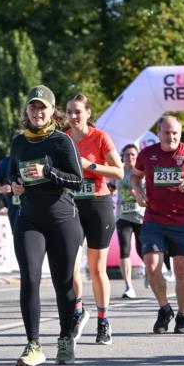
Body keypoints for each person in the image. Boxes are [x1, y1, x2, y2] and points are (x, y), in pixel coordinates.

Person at [9, 85, 83, 366]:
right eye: (33, 107)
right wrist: (14, 186)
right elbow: (12, 176)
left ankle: (65, 338)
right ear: (26, 111)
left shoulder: (62, 142)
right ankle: (33, 344)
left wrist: (48, 172)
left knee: (63, 282)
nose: (38, 112)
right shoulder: (19, 143)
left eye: (43, 107)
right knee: (29, 278)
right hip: (29, 219)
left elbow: (78, 180)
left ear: (53, 111)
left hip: (63, 219)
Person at [132, 115, 184, 334]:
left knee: (181, 270)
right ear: (159, 133)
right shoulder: (147, 154)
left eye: (175, 132)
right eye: (167, 132)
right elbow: (135, 177)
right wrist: (137, 190)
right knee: (152, 266)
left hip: (182, 220)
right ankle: (164, 309)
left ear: (180, 133)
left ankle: (182, 315)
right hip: (154, 219)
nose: (171, 136)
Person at [66, 94, 123, 345]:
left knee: (97, 268)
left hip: (98, 203)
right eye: (69, 112)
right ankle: (79, 310)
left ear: (88, 113)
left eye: (78, 111)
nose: (74, 116)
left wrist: (91, 166)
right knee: (70, 265)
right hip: (71, 205)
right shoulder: (63, 139)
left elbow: (119, 171)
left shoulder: (100, 137)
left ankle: (103, 321)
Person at [114, 143, 145, 299]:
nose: (130, 157)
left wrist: (139, 194)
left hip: (141, 217)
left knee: (142, 250)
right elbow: (110, 188)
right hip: (123, 217)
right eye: (127, 155)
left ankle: (148, 271)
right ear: (123, 157)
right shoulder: (119, 173)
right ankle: (128, 286)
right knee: (124, 250)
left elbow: (152, 193)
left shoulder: (144, 173)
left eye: (133, 154)